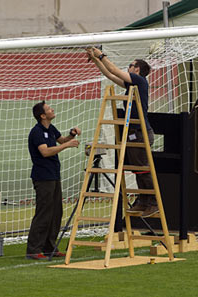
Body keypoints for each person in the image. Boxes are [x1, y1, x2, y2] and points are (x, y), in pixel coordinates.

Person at [86, 47, 158, 218]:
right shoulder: (133, 84)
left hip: (140, 131)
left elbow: (113, 69)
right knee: (136, 169)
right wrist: (96, 61)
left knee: (142, 168)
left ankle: (152, 201)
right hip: (133, 131)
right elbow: (110, 75)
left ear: (137, 70)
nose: (128, 68)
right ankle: (143, 200)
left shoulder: (139, 81)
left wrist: (101, 55)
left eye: (131, 66)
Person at [26, 101, 81, 260]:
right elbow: (45, 152)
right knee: (44, 213)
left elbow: (62, 140)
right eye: (49, 109)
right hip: (43, 177)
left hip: (54, 175)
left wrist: (71, 135)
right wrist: (68, 145)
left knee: (56, 212)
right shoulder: (36, 132)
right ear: (43, 115)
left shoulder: (51, 129)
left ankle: (50, 247)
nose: (52, 109)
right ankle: (33, 250)